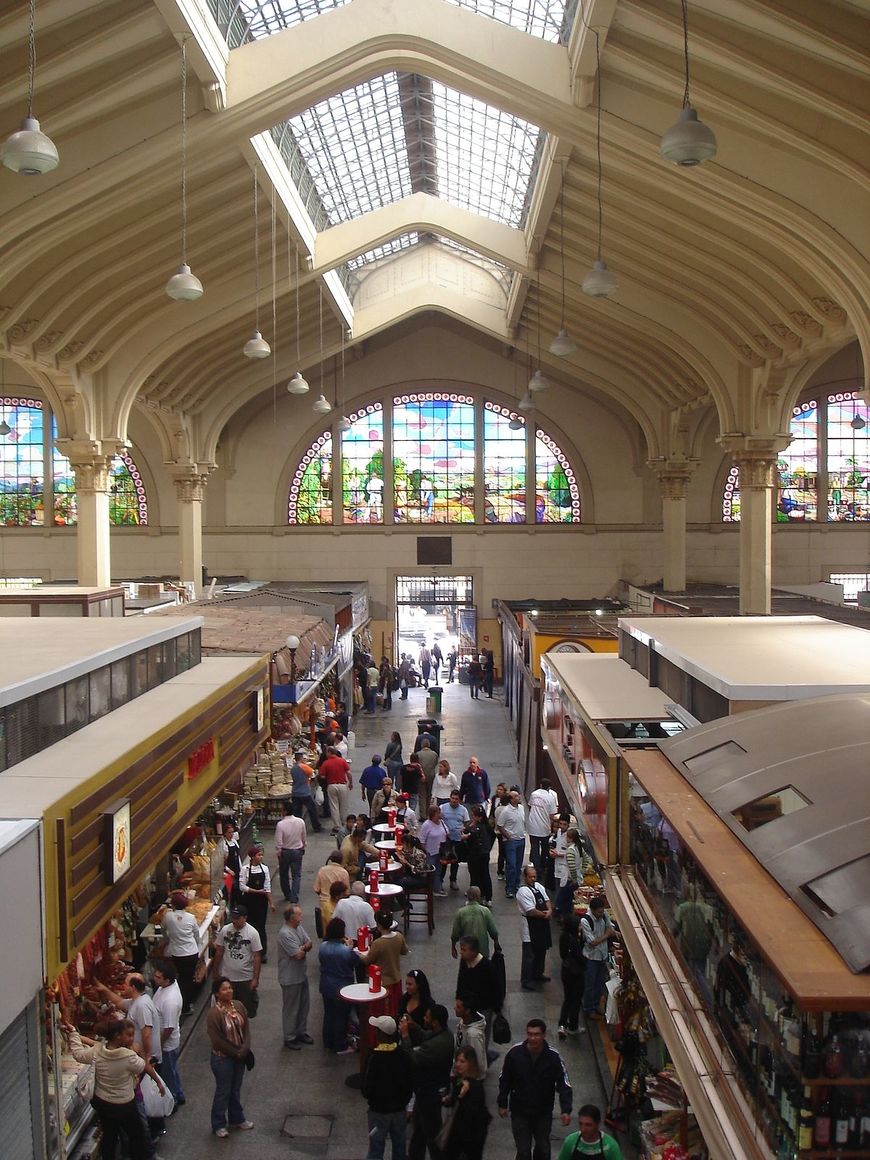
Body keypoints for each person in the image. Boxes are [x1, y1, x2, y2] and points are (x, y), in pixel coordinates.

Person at [62, 1016, 165, 1160]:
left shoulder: (98, 1051)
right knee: (137, 1135)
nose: (130, 1038)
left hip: (103, 1104)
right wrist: (139, 1052)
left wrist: (73, 1033)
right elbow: (142, 1066)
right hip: (124, 1105)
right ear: (117, 1036)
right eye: (127, 1035)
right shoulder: (128, 1056)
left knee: (109, 1136)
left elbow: (78, 1055)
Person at [497, 1019, 573, 1160]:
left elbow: (564, 1083)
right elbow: (505, 1079)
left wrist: (566, 1109)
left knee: (543, 1148)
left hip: (542, 1112)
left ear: (543, 1035)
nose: (532, 1038)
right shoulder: (515, 1054)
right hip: (520, 1111)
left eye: (536, 1034)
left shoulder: (553, 1057)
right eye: (530, 1034)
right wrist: (502, 1102)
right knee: (523, 1150)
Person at [400, 1003, 454, 1160]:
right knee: (420, 1131)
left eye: (427, 1017)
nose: (424, 1018)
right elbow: (425, 1036)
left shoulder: (438, 1044)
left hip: (430, 1093)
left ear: (435, 1022)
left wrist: (405, 1036)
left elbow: (411, 1058)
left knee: (431, 1134)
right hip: (426, 1091)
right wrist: (414, 1026)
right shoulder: (442, 1034)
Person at [206, 976, 254, 1137]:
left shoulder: (238, 1006)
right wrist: (236, 1052)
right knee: (223, 1090)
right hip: (222, 1059)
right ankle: (218, 1123)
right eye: (225, 989)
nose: (229, 991)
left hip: (239, 1057)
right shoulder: (214, 1014)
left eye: (230, 988)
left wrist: (245, 1047)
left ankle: (237, 1118)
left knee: (235, 1088)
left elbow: (246, 1028)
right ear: (217, 994)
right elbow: (217, 1040)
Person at [362, 1014, 414, 1160]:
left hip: (378, 1112)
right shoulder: (403, 1056)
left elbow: (366, 1088)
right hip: (398, 1111)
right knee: (399, 1146)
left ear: (380, 1034)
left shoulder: (373, 1058)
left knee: (376, 1149)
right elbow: (409, 1083)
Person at [440, 1045, 491, 1160]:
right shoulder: (458, 1081)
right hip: (457, 1135)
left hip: (469, 1140)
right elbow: (454, 1102)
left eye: (462, 1061)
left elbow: (473, 1112)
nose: (458, 1064)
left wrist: (462, 1096)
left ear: (470, 1063)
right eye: (457, 1060)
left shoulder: (475, 1087)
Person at [212, 905, 262, 1017]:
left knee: (244, 1010)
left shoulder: (252, 933)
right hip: (227, 978)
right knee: (226, 1010)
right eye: (233, 918)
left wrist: (255, 978)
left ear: (245, 918)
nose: (235, 921)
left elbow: (257, 957)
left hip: (245, 979)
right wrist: (215, 971)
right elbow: (219, 951)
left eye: (237, 918)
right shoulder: (225, 930)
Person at [318, 917, 359, 1054]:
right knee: (341, 1016)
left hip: (325, 985)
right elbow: (354, 961)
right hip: (341, 987)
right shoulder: (345, 951)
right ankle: (340, 1045)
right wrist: (351, 947)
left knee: (329, 1014)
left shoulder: (323, 947)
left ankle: (327, 1041)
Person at [359, 910, 409, 1017]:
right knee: (395, 1009)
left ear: (379, 925)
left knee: (383, 1011)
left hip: (382, 981)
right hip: (396, 978)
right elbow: (404, 951)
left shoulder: (378, 943)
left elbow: (368, 960)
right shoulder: (399, 937)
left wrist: (358, 954)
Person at [277, 904, 314, 1050]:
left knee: (304, 1005)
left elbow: (309, 943)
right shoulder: (285, 933)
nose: (302, 917)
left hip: (301, 974)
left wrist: (303, 947)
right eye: (299, 915)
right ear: (292, 917)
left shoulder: (298, 927)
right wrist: (303, 948)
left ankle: (301, 1031)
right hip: (290, 977)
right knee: (291, 1008)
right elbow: (297, 955)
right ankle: (290, 1037)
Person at [152, 961, 186, 1106]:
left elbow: (169, 1028)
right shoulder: (163, 988)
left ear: (167, 979)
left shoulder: (170, 1000)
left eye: (158, 977)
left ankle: (173, 1099)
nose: (155, 978)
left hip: (167, 1044)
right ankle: (178, 1093)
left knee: (168, 1072)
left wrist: (158, 1044)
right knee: (171, 1070)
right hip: (164, 1041)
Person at [160, 891, 200, 1014]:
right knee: (188, 978)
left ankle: (180, 1004)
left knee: (181, 977)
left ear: (173, 905)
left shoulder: (168, 916)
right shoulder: (191, 917)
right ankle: (186, 1005)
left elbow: (163, 930)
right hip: (191, 952)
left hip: (177, 953)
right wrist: (196, 945)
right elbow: (196, 934)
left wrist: (167, 938)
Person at [517, 865, 553, 990]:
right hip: (530, 925)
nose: (533, 879)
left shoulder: (539, 886)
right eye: (530, 877)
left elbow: (547, 899)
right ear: (525, 877)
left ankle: (538, 973)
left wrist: (549, 909)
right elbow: (531, 911)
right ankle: (526, 979)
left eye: (534, 876)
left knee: (541, 950)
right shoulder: (522, 891)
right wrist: (545, 914)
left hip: (541, 924)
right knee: (529, 954)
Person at [581, 896, 616, 1020]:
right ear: (592, 910)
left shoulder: (604, 914)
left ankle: (596, 1005)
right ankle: (588, 1008)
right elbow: (592, 942)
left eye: (602, 911)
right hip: (591, 957)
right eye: (599, 912)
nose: (601, 914)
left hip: (602, 955)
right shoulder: (585, 921)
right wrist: (606, 934)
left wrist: (607, 934)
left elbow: (611, 926)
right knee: (590, 984)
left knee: (600, 982)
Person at [238, 844, 275, 960]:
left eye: (261, 855)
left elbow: (267, 886)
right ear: (252, 857)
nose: (261, 857)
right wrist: (256, 891)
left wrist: (271, 902)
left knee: (261, 927)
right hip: (249, 901)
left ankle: (262, 952)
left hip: (261, 902)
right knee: (249, 925)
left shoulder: (265, 869)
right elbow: (242, 886)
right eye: (259, 855)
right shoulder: (245, 869)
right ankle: (248, 951)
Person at [556, 1104, 624, 1160]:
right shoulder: (570, 1142)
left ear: (598, 1124)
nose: (583, 1129)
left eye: (588, 1125)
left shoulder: (610, 1146)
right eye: (580, 1124)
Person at [557, 914, 586, 1040]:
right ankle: (573, 1026)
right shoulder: (574, 941)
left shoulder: (563, 937)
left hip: (565, 971)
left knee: (567, 998)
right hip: (576, 973)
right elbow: (580, 957)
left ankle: (562, 1024)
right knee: (576, 999)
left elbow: (563, 955)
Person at [451, 887, 501, 959]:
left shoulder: (461, 912)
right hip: (482, 951)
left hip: (467, 951)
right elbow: (493, 931)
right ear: (479, 897)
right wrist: (496, 943)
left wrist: (453, 947)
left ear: (467, 897)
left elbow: (455, 933)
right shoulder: (485, 911)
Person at [496, 789, 527, 898]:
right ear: (511, 799)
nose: (519, 798)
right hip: (511, 841)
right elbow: (500, 825)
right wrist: (508, 837)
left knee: (518, 865)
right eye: (516, 797)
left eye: (518, 796)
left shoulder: (522, 808)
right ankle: (509, 888)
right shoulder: (506, 811)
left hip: (521, 839)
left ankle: (516, 885)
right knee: (512, 865)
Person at [275, 802, 307, 904]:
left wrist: (278, 852)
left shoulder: (280, 825)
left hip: (285, 851)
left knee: (284, 874)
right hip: (297, 851)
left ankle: (287, 894)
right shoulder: (300, 821)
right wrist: (303, 846)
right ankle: (294, 896)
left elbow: (279, 842)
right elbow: (304, 837)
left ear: (285, 811)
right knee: (296, 875)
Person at [556, 827, 590, 918]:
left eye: (567, 837)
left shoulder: (571, 850)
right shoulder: (578, 848)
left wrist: (574, 878)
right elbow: (587, 859)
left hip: (569, 879)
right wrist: (582, 871)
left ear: (571, 838)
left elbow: (571, 867)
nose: (565, 839)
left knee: (563, 900)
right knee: (568, 899)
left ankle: (564, 917)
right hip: (577, 877)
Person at [314, 850, 351, 933]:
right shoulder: (344, 872)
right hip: (338, 904)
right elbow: (347, 892)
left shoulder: (322, 870)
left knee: (326, 929)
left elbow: (316, 889)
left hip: (324, 903)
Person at [527, 781, 559, 877]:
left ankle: (537, 870)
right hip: (544, 827)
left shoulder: (534, 794)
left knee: (535, 849)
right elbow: (552, 815)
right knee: (545, 849)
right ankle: (543, 867)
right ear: (549, 787)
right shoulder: (551, 798)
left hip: (533, 827)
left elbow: (530, 806)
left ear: (541, 785)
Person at [464, 803, 494, 903]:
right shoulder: (487, 826)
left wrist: (466, 836)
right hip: (485, 854)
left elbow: (470, 837)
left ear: (478, 817)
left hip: (475, 855)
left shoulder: (476, 828)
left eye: (473, 815)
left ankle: (474, 898)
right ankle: (487, 897)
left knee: (475, 876)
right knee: (485, 875)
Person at [453, 994, 488, 1081]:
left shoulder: (473, 1035)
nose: (454, 1008)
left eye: (458, 1007)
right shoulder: (466, 1020)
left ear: (467, 1011)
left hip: (469, 1078)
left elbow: (478, 1060)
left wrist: (470, 1080)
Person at [441, 788, 470, 892]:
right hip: (445, 839)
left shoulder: (463, 810)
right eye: (452, 798)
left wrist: (463, 829)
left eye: (456, 799)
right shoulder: (443, 808)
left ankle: (453, 880)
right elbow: (439, 820)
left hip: (457, 839)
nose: (453, 800)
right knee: (444, 860)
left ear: (459, 800)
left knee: (455, 861)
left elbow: (466, 822)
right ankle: (440, 881)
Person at [418, 803, 449, 895]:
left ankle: (437, 889)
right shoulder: (427, 825)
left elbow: (447, 832)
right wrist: (426, 851)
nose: (440, 814)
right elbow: (422, 840)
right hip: (431, 853)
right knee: (430, 872)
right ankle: (429, 888)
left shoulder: (442, 822)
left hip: (441, 852)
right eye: (438, 813)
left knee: (438, 871)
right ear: (433, 814)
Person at [290, 750, 322, 833]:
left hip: (295, 792)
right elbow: (313, 773)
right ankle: (316, 827)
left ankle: (297, 829)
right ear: (301, 758)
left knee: (297, 812)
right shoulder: (304, 767)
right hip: (304, 792)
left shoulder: (293, 768)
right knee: (312, 810)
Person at [321, 745, 353, 823]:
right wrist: (350, 783)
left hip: (331, 785)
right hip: (342, 785)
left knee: (334, 806)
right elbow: (348, 773)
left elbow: (322, 776)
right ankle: (345, 822)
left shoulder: (326, 763)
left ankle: (337, 825)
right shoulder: (342, 761)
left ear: (329, 752)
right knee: (343, 805)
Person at [218, 820, 242, 904]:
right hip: (229, 870)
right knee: (231, 889)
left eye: (232, 832)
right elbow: (222, 861)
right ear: (225, 833)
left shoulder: (234, 841)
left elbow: (237, 856)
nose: (231, 834)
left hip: (236, 867)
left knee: (238, 888)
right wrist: (229, 870)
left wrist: (240, 867)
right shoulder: (223, 845)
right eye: (229, 832)